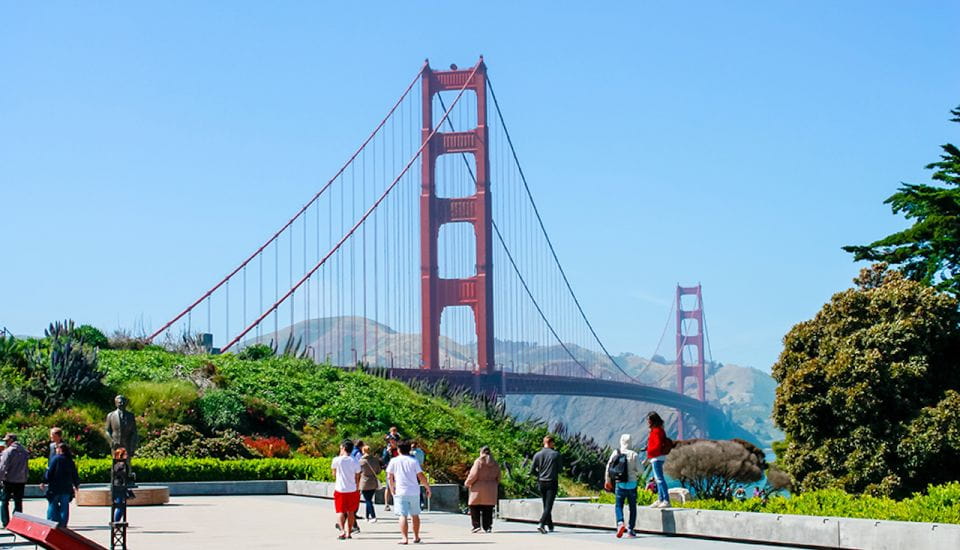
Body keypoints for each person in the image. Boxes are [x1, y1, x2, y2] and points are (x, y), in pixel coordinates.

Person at [386, 441, 431, 545]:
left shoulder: (394, 461)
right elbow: (421, 476)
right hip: (414, 491)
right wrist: (427, 487)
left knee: (402, 515)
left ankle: (404, 538)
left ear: (398, 450)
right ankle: (416, 536)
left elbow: (389, 476)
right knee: (415, 515)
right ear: (409, 450)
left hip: (400, 491)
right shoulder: (414, 461)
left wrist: (392, 488)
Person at [605, 433, 641, 538]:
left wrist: (607, 480)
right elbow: (641, 471)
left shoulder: (616, 452)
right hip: (632, 485)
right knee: (632, 507)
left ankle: (620, 523)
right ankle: (630, 530)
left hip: (619, 483)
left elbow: (608, 467)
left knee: (618, 505)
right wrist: (634, 472)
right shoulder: (634, 454)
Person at [41, 443, 80, 527]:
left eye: (56, 448)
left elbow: (49, 472)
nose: (55, 450)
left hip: (55, 488)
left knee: (52, 505)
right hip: (66, 488)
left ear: (60, 449)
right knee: (64, 507)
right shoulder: (70, 460)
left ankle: (52, 523)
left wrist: (44, 481)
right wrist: (76, 484)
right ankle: (63, 525)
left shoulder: (55, 459)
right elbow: (74, 474)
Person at [464, 446, 501, 534]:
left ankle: (476, 526)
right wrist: (495, 483)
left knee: (474, 506)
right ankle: (487, 526)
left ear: (481, 452)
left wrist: (467, 483)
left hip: (478, 487)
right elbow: (499, 476)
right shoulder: (495, 463)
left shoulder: (478, 461)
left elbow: (473, 475)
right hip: (491, 488)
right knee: (488, 508)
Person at [530, 435, 561, 534]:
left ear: (544, 443)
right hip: (552, 481)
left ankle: (550, 525)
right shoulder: (556, 454)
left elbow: (532, 470)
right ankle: (541, 523)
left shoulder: (537, 455)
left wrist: (539, 475)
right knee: (549, 505)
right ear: (551, 443)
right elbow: (560, 469)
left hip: (541, 482)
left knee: (545, 504)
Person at [331, 440, 362, 540]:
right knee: (351, 512)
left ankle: (342, 531)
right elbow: (357, 476)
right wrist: (357, 487)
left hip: (340, 489)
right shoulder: (355, 461)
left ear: (344, 448)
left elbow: (333, 474)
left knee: (340, 511)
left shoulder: (336, 460)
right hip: (352, 489)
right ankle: (349, 532)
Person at [0, 433, 29, 527]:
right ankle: (17, 523)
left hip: (9, 480)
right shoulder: (24, 451)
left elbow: (3, 466)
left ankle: (6, 522)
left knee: (4, 501)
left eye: (6, 441)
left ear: (11, 440)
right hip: (21, 480)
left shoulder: (8, 451)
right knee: (18, 502)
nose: (5, 443)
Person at [645, 412, 672, 508]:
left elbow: (657, 446)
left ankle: (666, 500)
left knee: (659, 479)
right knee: (658, 479)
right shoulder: (658, 430)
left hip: (657, 457)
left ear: (653, 420)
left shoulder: (656, 431)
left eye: (649, 420)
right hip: (657, 457)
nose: (647, 422)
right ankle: (660, 500)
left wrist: (649, 450)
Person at [358, 445, 381, 523]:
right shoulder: (375, 460)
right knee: (369, 499)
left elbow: (358, 472)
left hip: (364, 482)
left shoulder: (361, 461)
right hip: (373, 482)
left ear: (363, 451)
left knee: (368, 500)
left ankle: (373, 516)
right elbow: (378, 471)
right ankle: (367, 516)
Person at [381, 438, 400, 511]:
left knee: (398, 486)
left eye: (394, 442)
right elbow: (384, 460)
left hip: (398, 470)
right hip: (390, 470)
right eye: (391, 442)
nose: (393, 443)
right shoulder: (386, 450)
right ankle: (387, 504)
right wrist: (387, 452)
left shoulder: (398, 449)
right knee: (388, 487)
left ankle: (398, 503)